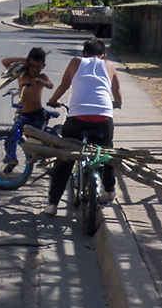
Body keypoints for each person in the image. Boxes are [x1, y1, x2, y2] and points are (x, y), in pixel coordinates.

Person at [43, 38, 122, 216]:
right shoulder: (109, 64)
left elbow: (64, 85)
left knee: (66, 156)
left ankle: (52, 204)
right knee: (106, 152)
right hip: (103, 116)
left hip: (77, 116)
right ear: (103, 55)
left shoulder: (75, 62)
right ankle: (109, 190)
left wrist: (53, 100)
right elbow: (117, 92)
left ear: (84, 53)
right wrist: (116, 104)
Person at [1, 47, 54, 130]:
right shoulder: (22, 74)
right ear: (27, 64)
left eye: (38, 67)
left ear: (43, 66)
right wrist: (20, 59)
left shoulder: (42, 77)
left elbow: (50, 85)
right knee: (14, 134)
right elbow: (4, 62)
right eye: (32, 66)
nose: (34, 69)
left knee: (36, 137)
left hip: (37, 114)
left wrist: (40, 81)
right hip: (22, 113)